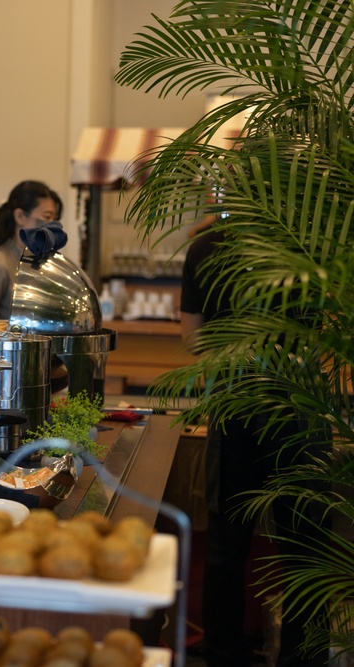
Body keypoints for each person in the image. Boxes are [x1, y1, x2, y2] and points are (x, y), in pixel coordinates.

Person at [181, 226, 327, 667]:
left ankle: (224, 654)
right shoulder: (311, 241)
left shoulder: (207, 245)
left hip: (235, 405)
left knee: (228, 544)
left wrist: (235, 359)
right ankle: (303, 658)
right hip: (300, 406)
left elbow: (192, 337)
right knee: (305, 547)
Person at [0, 180, 63, 322]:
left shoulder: (34, 260)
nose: (53, 225)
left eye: (55, 218)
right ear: (20, 217)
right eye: (47, 217)